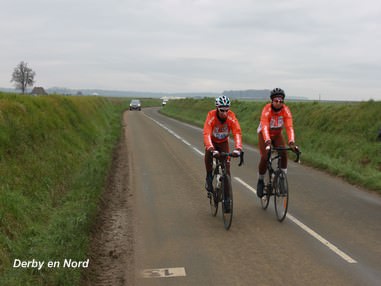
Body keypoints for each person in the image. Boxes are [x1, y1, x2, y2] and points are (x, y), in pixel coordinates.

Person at [256, 88, 299, 198]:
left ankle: (282, 177)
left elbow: (289, 127)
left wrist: (291, 142)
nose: (279, 103)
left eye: (281, 101)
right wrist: (267, 141)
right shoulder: (266, 110)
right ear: (272, 101)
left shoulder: (285, 110)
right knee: (265, 157)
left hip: (277, 134)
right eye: (276, 101)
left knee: (284, 153)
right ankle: (260, 180)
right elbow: (264, 126)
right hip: (264, 134)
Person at [203, 95, 243, 196]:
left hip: (223, 142)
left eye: (226, 110)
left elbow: (237, 132)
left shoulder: (231, 116)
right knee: (208, 155)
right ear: (217, 108)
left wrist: (238, 148)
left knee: (227, 171)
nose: (225, 113)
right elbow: (206, 133)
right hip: (212, 142)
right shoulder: (211, 116)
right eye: (222, 110)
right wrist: (211, 148)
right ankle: (209, 176)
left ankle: (227, 199)